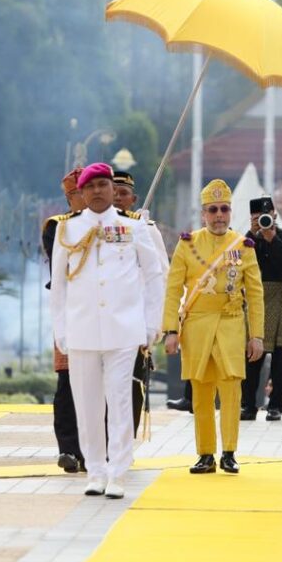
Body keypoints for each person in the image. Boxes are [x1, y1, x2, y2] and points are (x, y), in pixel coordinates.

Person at [50, 163, 165, 499]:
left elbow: (154, 275)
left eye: (103, 185)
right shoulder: (67, 229)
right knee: (87, 405)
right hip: (82, 329)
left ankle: (118, 472)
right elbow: (58, 285)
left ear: (114, 190)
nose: (97, 191)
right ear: (81, 193)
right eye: (91, 186)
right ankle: (96, 471)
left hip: (123, 329)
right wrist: (60, 329)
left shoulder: (134, 227)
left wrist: (152, 323)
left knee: (119, 402)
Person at [163, 179, 265, 474]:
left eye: (224, 209)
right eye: (213, 210)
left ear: (230, 212)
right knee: (201, 392)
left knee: (232, 390)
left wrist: (257, 336)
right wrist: (170, 330)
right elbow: (173, 289)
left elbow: (255, 294)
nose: (219, 215)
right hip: (197, 326)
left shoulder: (243, 246)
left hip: (231, 324)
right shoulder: (187, 244)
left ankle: (229, 452)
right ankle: (205, 454)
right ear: (203, 213)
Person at [112, 169, 170, 437]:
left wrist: (154, 323)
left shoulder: (145, 228)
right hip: (105, 318)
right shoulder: (93, 226)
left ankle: (126, 438)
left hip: (134, 318)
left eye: (123, 193)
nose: (117, 198)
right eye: (113, 192)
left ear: (133, 199)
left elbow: (161, 274)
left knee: (131, 382)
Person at [42, 168, 86, 473]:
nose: (86, 196)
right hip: (72, 313)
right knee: (67, 385)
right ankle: (69, 448)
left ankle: (98, 451)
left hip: (105, 315)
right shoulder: (58, 227)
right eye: (79, 192)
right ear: (69, 197)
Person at [241, 196, 282, 421]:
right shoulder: (248, 240)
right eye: (257, 217)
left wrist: (272, 239)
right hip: (258, 300)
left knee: (281, 357)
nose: (263, 220)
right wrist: (253, 235)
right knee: (252, 356)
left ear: (274, 215)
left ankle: (276, 405)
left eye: (266, 216)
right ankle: (248, 405)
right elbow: (240, 263)